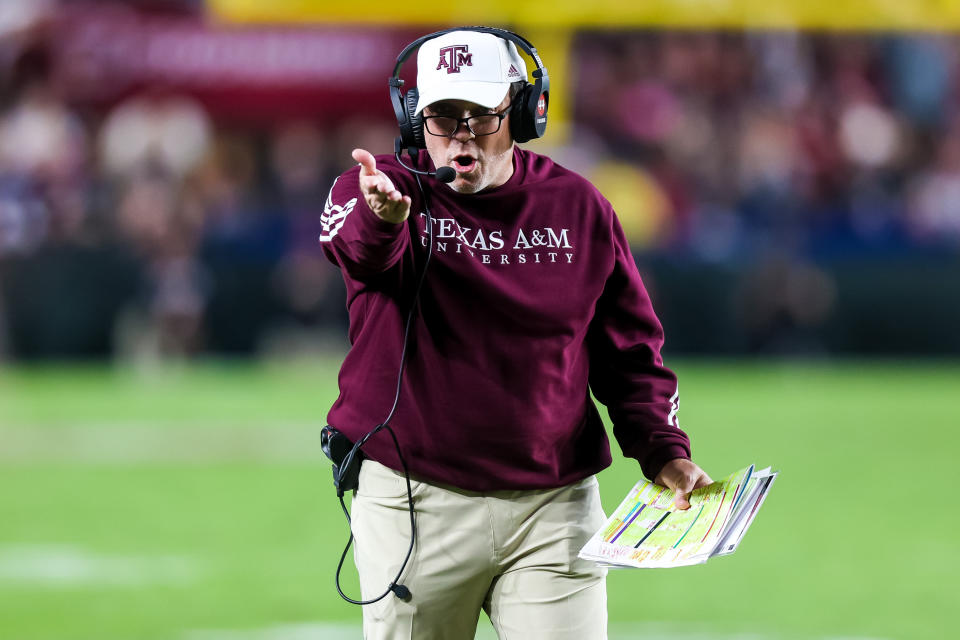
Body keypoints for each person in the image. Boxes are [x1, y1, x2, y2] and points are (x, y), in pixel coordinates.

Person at [319, 27, 711, 640]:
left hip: (554, 508)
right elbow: (360, 256)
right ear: (413, 120)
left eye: (482, 116)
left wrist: (664, 449)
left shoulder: (580, 208)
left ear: (525, 113)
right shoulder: (377, 190)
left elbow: (629, 354)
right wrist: (384, 219)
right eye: (444, 118)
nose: (462, 136)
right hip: (414, 501)